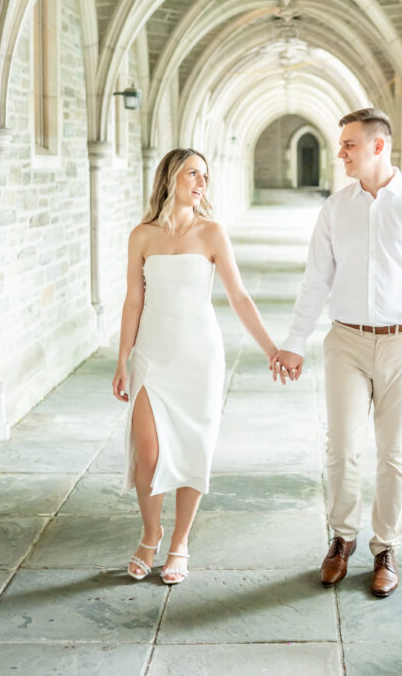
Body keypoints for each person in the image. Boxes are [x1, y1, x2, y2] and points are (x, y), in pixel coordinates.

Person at [274, 108, 402, 597]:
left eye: (349, 144)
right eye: (341, 144)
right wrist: (294, 342)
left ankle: (386, 547)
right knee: (342, 446)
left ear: (379, 146)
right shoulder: (336, 207)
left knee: (395, 451)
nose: (340, 153)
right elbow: (317, 280)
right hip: (346, 341)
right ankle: (342, 538)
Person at [112, 148, 285, 584]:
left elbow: (240, 297)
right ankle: (151, 533)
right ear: (171, 177)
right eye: (193, 173)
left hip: (199, 356)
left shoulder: (212, 234)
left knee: (192, 449)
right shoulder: (142, 236)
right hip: (153, 355)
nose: (201, 181)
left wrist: (271, 348)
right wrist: (122, 359)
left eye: (205, 175)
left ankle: (180, 543)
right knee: (148, 454)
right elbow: (134, 301)